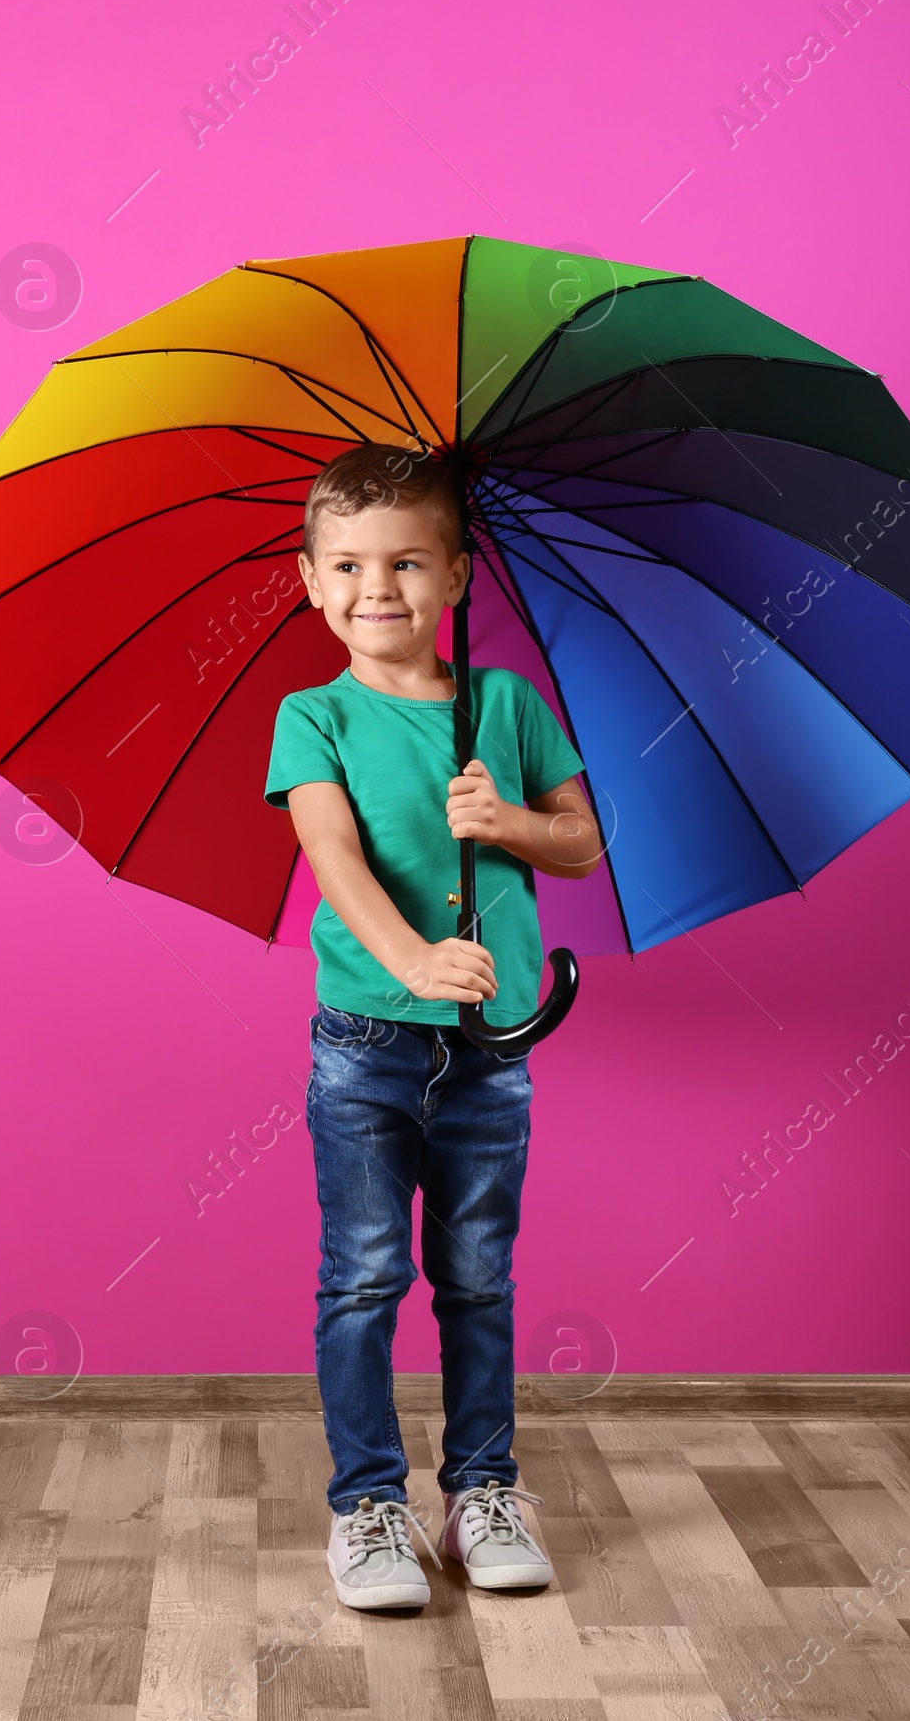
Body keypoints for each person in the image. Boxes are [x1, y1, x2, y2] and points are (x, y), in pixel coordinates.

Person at [263, 443, 603, 1612]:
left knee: (477, 1273)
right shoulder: (311, 717)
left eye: (408, 561)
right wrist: (409, 956)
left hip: (490, 1046)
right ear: (310, 580)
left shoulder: (501, 704)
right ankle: (367, 1501)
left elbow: (582, 840)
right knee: (362, 1275)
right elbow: (331, 854)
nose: (379, 589)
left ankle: (482, 1489)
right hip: (364, 1043)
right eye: (349, 565)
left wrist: (502, 817)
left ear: (456, 575)